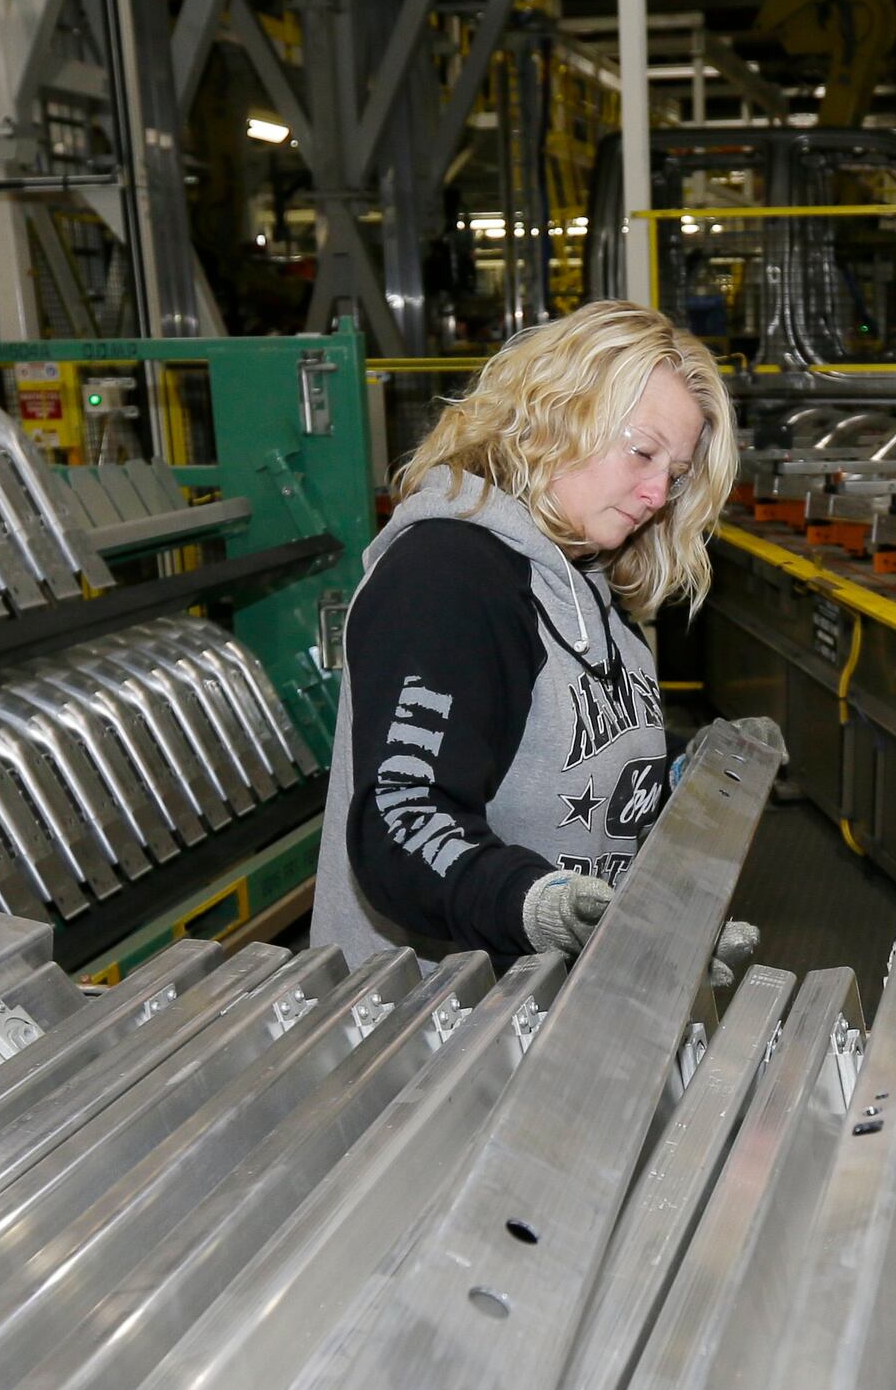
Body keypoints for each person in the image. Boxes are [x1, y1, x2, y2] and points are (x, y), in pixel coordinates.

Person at [311, 300, 741, 965]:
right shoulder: (447, 574)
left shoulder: (584, 578)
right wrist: (535, 905)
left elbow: (546, 743)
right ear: (556, 417)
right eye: (642, 453)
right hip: (435, 1028)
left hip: (549, 1012)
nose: (657, 494)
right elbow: (401, 822)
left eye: (675, 474)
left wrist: (680, 773)